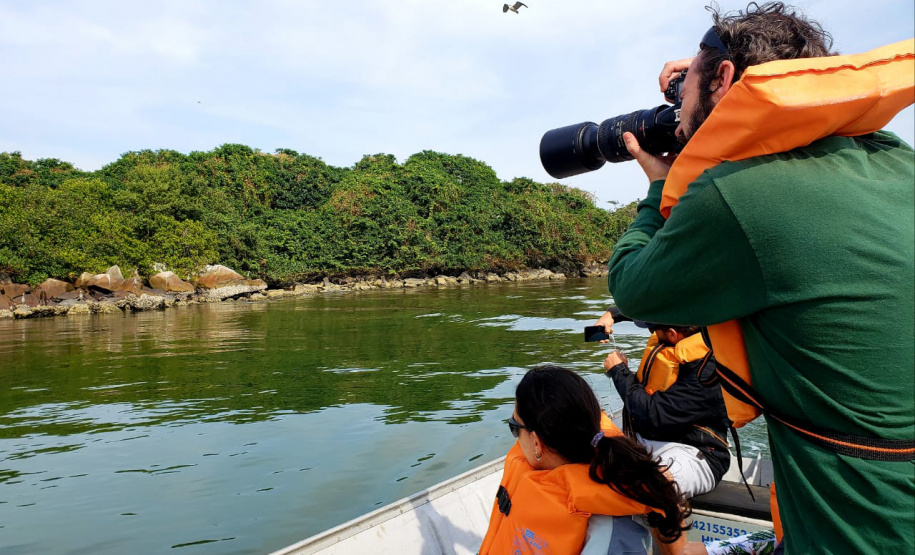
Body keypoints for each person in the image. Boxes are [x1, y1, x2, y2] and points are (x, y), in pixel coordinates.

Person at [605, 3, 914, 554]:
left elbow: (631, 284)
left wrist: (659, 187)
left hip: (862, 526)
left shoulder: (739, 193)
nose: (675, 115)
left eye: (683, 93)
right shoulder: (894, 160)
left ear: (724, 79)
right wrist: (705, 73)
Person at [479, 364, 689, 555]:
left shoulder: (607, 527)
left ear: (537, 443)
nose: (516, 438)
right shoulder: (624, 471)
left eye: (514, 427)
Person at [599, 310, 731, 499]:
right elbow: (655, 307)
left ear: (672, 334)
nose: (652, 333)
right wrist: (612, 315)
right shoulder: (692, 324)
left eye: (653, 329)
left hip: (693, 452)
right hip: (643, 439)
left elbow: (654, 414)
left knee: (655, 485)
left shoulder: (707, 374)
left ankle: (667, 526)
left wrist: (619, 371)